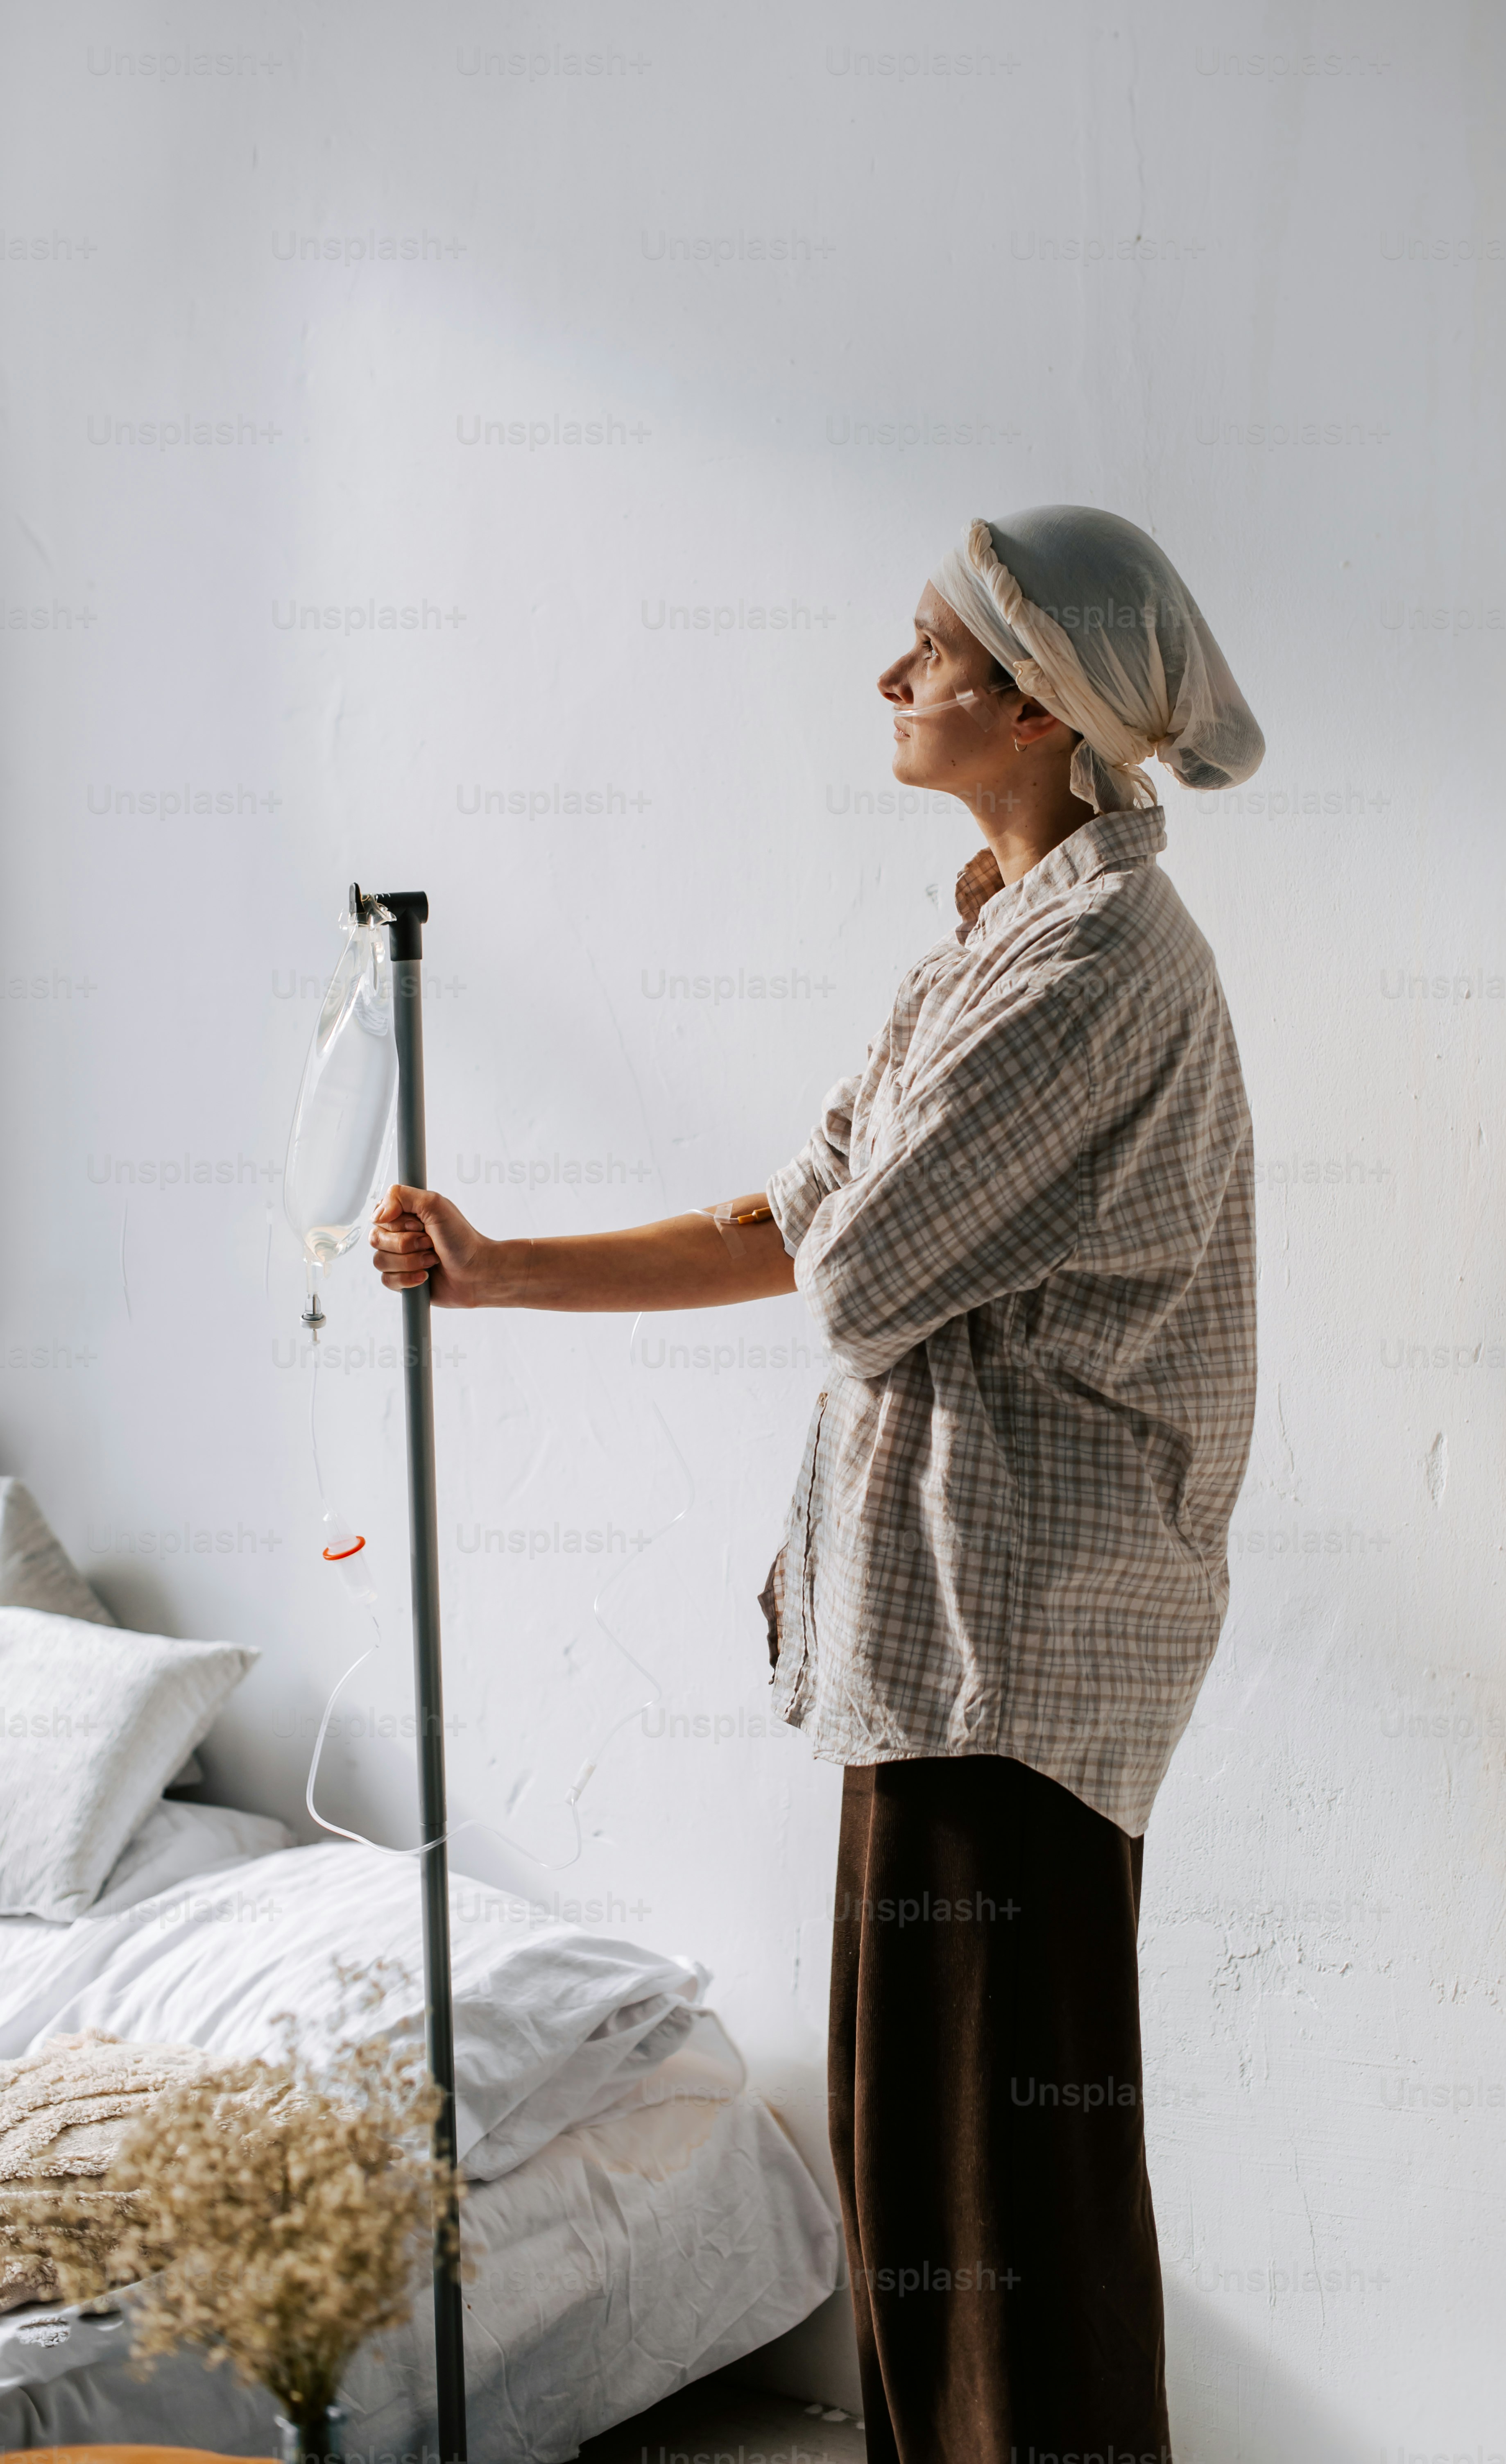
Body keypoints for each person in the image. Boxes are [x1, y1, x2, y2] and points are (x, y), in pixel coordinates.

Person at [371, 505, 1264, 2464]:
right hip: (944, 1650)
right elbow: (798, 1209)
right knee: (939, 2199)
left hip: (1007, 1658)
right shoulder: (1001, 934)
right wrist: (501, 1263)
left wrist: (838, 1223)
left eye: (926, 649)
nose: (888, 677)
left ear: (1034, 707)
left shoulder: (1091, 962)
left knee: (999, 2226)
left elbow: (855, 1278)